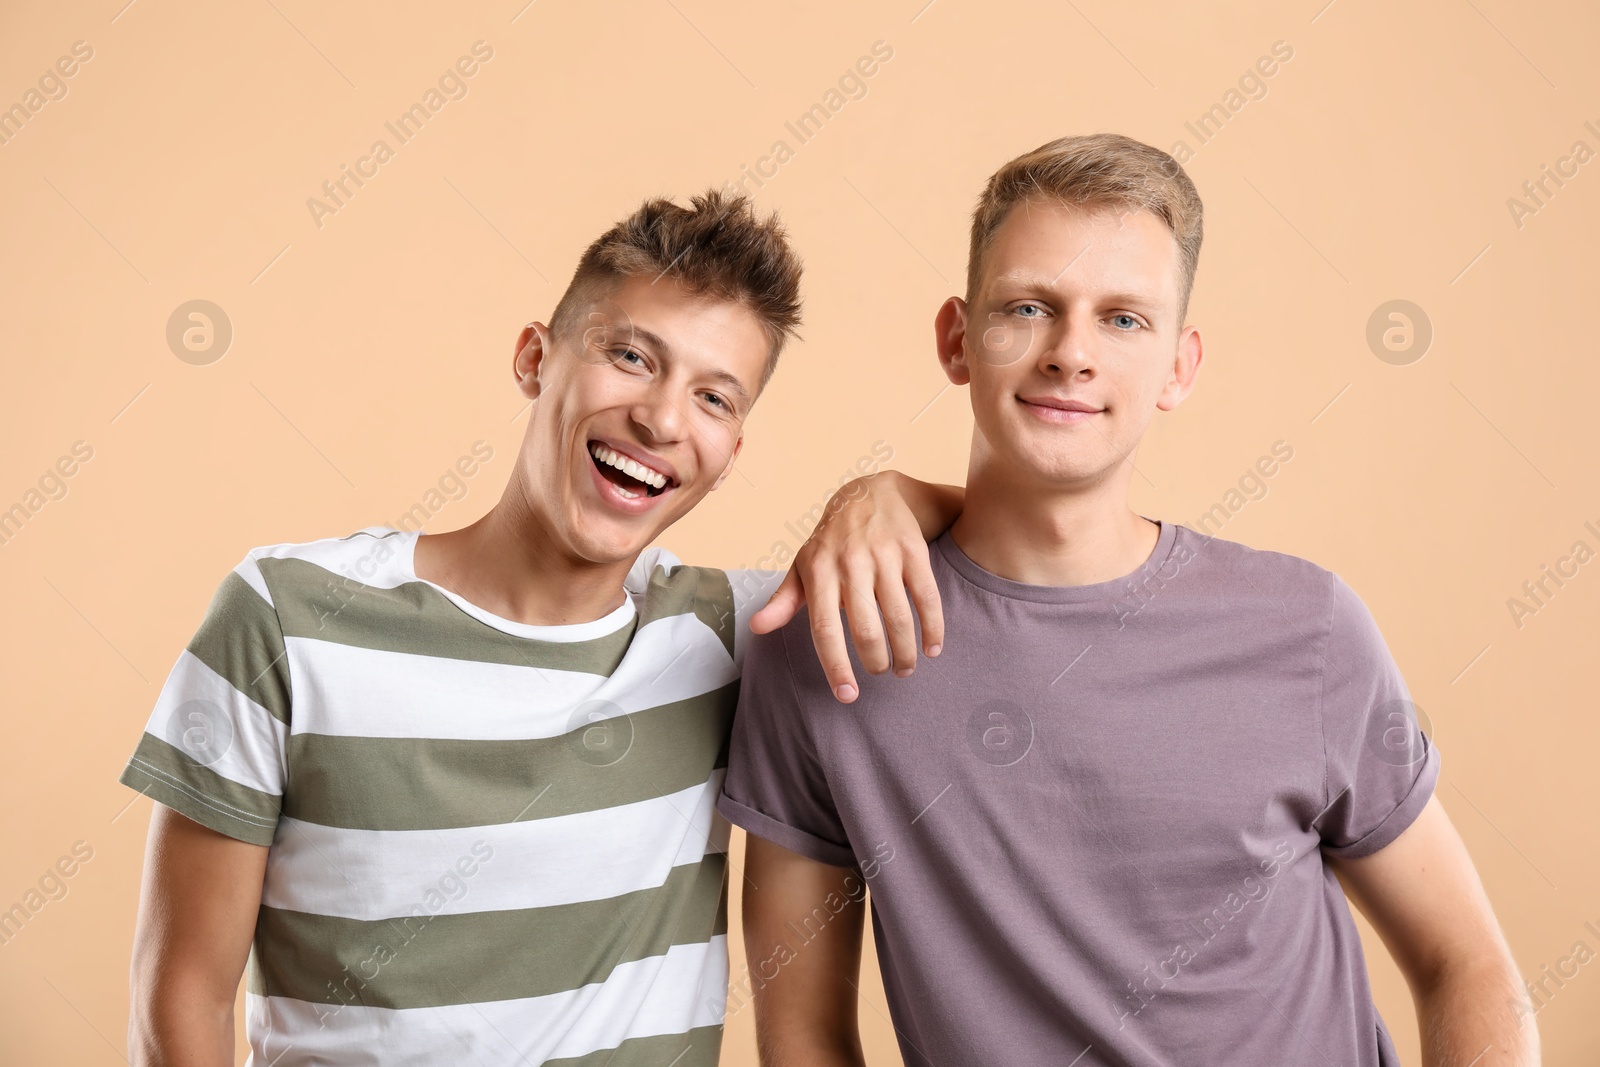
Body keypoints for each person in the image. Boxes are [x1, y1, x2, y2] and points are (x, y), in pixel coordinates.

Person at [718, 134, 1537, 1066]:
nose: (1071, 353)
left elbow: (1466, 963)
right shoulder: (827, 644)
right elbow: (805, 1040)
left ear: (1180, 367)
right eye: (1029, 307)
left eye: (1124, 320)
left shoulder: (1306, 629)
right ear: (956, 338)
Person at [119, 190, 960, 1067]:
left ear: (732, 453)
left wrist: (885, 492)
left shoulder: (740, 634)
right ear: (535, 357)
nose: (663, 419)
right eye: (631, 355)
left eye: (715, 398)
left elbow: (1030, 550)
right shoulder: (287, 617)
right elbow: (184, 995)